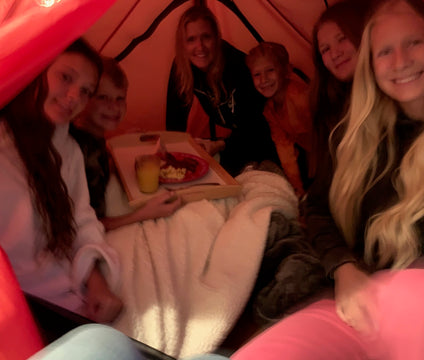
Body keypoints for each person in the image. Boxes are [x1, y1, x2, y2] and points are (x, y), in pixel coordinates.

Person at [231, 0, 424, 359]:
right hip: (352, 299)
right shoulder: (353, 133)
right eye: (385, 51)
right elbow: (317, 199)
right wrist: (342, 267)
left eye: (414, 42)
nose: (400, 61)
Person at [0, 39, 123, 323]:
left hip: (69, 297)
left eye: (85, 91)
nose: (74, 96)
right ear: (38, 70)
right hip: (12, 310)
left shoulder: (68, 149)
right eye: (66, 78)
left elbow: (81, 219)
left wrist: (96, 281)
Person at [70, 57, 182, 231]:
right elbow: (90, 224)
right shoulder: (83, 151)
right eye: (103, 97)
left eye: (120, 98)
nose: (114, 107)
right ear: (84, 98)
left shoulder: (92, 138)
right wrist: (145, 213)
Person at [166, 5, 279, 176]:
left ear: (217, 38)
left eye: (206, 37)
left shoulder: (238, 66)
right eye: (191, 39)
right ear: (183, 44)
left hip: (267, 141)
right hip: (234, 143)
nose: (200, 46)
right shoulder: (182, 68)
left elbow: (254, 128)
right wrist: (174, 159)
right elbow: (174, 124)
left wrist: (219, 145)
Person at [246, 42, 314, 198]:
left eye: (270, 70)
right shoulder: (270, 110)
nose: (263, 79)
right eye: (257, 74)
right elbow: (285, 149)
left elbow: (324, 134)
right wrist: (297, 188)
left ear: (286, 71)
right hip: (309, 154)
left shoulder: (299, 98)